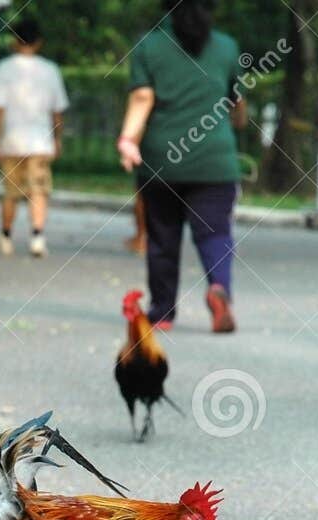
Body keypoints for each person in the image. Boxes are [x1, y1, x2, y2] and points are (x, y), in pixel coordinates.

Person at [117, 0, 245, 332]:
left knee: (162, 237)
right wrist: (239, 121)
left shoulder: (150, 45)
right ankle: (219, 288)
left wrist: (129, 139)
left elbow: (142, 98)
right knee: (215, 232)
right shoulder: (227, 46)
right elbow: (237, 102)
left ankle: (162, 314)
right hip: (215, 159)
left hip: (163, 158)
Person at [0, 18, 68, 258]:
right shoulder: (50, 70)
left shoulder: (2, 69)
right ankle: (37, 236)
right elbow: (57, 111)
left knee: (11, 192)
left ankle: (5, 236)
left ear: (14, 41)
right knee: (39, 190)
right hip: (40, 140)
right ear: (39, 42)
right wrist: (57, 139)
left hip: (12, 140)